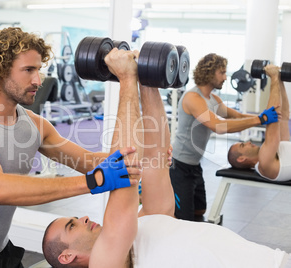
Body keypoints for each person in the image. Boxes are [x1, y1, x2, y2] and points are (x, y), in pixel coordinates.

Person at [42, 50, 291, 268]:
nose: (83, 218)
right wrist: (127, 78)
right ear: (67, 256)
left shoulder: (145, 221)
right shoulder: (105, 262)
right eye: (72, 226)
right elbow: (123, 169)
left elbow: (156, 155)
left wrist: (148, 79)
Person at [0, 27, 141, 268]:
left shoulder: (36, 125)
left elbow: (91, 162)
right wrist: (93, 181)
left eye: (39, 70)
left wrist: (149, 161)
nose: (38, 80)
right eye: (28, 70)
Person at [169, 53, 278, 221]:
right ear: (210, 72)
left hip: (195, 165)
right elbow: (218, 126)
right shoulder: (193, 98)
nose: (226, 78)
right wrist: (259, 119)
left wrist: (264, 119)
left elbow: (235, 116)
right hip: (179, 167)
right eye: (222, 72)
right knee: (183, 218)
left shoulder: (213, 99)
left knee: (200, 211)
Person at [228, 64, 290, 181]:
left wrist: (280, 80)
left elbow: (284, 116)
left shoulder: (276, 153)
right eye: (242, 145)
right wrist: (274, 78)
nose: (248, 142)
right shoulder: (264, 164)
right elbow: (273, 116)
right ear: (242, 158)